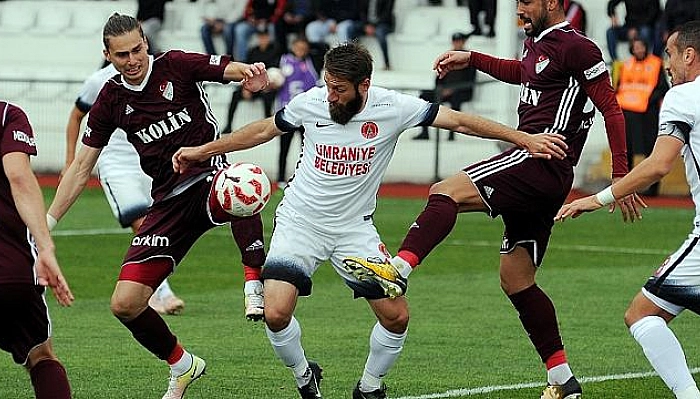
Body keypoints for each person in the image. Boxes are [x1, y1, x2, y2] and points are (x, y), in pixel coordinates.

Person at [172, 42, 568, 399]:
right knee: (276, 312)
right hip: (300, 222)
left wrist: (525, 139)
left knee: (397, 317)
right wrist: (203, 151)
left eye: (339, 89)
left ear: (364, 85)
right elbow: (262, 130)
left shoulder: (394, 107)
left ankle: (370, 387)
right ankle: (303, 376)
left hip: (353, 230)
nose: (330, 95)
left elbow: (462, 121)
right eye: (328, 85)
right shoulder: (310, 102)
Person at [341, 0, 644, 398]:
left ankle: (397, 270)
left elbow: (611, 106)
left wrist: (621, 174)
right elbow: (522, 73)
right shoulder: (536, 41)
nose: (520, 10)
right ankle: (562, 379)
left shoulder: (578, 46)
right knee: (517, 279)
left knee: (445, 192)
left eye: (527, 3)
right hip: (546, 174)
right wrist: (472, 59)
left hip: (539, 158)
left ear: (553, 3)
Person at [46, 13, 269, 399]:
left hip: (209, 177)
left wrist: (250, 72)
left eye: (136, 49)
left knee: (245, 180)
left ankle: (254, 279)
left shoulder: (177, 65)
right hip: (167, 201)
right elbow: (82, 167)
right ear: (107, 55)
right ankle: (183, 365)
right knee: (125, 304)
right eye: (121, 55)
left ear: (145, 43)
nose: (132, 60)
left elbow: (229, 69)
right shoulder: (111, 98)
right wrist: (45, 224)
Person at [556, 21, 700, 399]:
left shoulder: (684, 96)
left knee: (641, 314)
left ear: (689, 55)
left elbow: (657, 165)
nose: (666, 64)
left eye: (669, 54)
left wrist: (596, 198)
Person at [64, 62, 186, 316]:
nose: (131, 58)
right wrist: (70, 161)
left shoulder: (154, 73)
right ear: (108, 53)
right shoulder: (98, 81)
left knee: (160, 225)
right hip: (115, 163)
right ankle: (160, 292)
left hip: (148, 159)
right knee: (141, 224)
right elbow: (76, 116)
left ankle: (149, 287)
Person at [0, 100, 74, 399]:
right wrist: (46, 249)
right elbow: (19, 178)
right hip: (7, 269)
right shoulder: (5, 115)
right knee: (40, 356)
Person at [615, 37, 669, 196]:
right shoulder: (626, 65)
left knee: (650, 150)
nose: (639, 50)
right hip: (627, 114)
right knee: (627, 150)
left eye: (641, 47)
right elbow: (620, 87)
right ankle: (626, 187)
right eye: (636, 47)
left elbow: (663, 88)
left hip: (647, 116)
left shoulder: (656, 63)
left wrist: (648, 100)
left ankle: (653, 189)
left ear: (646, 47)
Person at [413, 31, 476, 141]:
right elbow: (438, 77)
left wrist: (452, 90)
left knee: (456, 99)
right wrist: (441, 90)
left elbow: (470, 80)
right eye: (455, 41)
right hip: (445, 90)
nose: (457, 44)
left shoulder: (468, 58)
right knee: (425, 95)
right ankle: (424, 132)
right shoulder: (447, 57)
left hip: (461, 91)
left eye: (459, 41)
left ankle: (452, 134)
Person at [275, 35, 319, 187]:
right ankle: (281, 177)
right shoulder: (283, 61)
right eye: (298, 48)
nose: (301, 51)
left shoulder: (311, 62)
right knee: (284, 147)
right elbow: (274, 84)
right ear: (293, 47)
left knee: (307, 149)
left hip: (306, 115)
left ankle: (305, 177)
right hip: (287, 113)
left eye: (304, 48)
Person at [224, 27, 282, 134]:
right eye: (260, 37)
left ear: (268, 37)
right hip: (254, 85)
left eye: (264, 36)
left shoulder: (275, 50)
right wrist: (246, 88)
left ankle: (269, 125)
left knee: (268, 96)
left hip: (268, 85)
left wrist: (267, 84)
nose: (262, 39)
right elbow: (246, 70)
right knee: (235, 94)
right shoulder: (253, 51)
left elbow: (275, 71)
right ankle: (228, 124)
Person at [360, 0, 394, 71]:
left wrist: (373, 26)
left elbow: (387, 13)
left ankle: (387, 63)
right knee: (351, 29)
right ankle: (353, 61)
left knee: (380, 33)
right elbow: (361, 12)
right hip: (367, 25)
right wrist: (366, 25)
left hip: (383, 24)